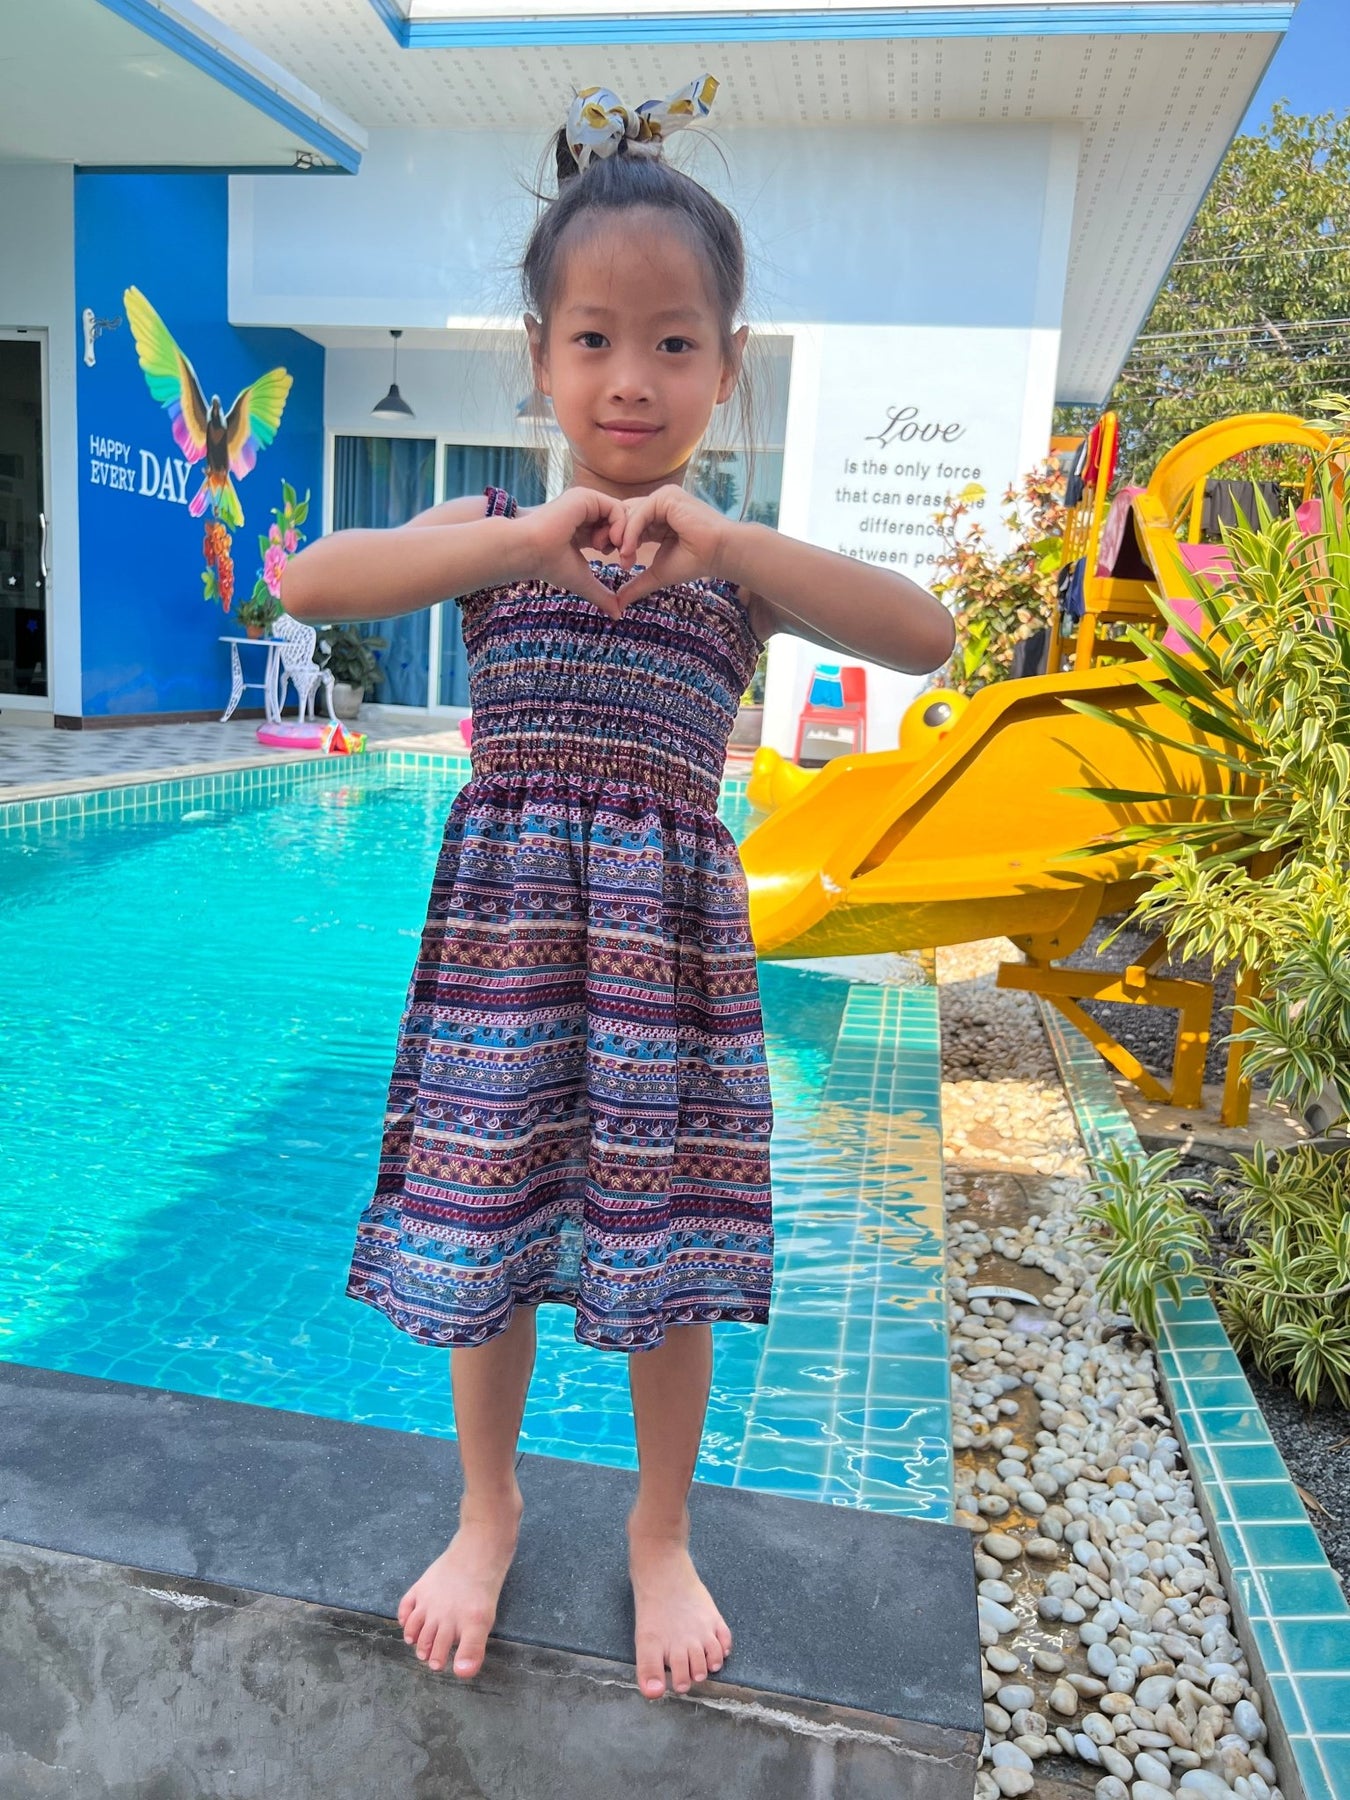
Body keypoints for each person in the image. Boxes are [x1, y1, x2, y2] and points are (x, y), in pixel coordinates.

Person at [281, 75, 955, 1702]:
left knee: (665, 1255)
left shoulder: (734, 570)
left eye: (671, 342)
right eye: (591, 338)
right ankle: (488, 1509)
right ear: (539, 359)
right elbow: (309, 583)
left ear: (728, 367)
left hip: (665, 973)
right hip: (506, 960)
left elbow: (925, 635)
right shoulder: (489, 533)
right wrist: (521, 542)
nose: (630, 377)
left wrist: (728, 547)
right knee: (487, 1231)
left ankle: (662, 1529)